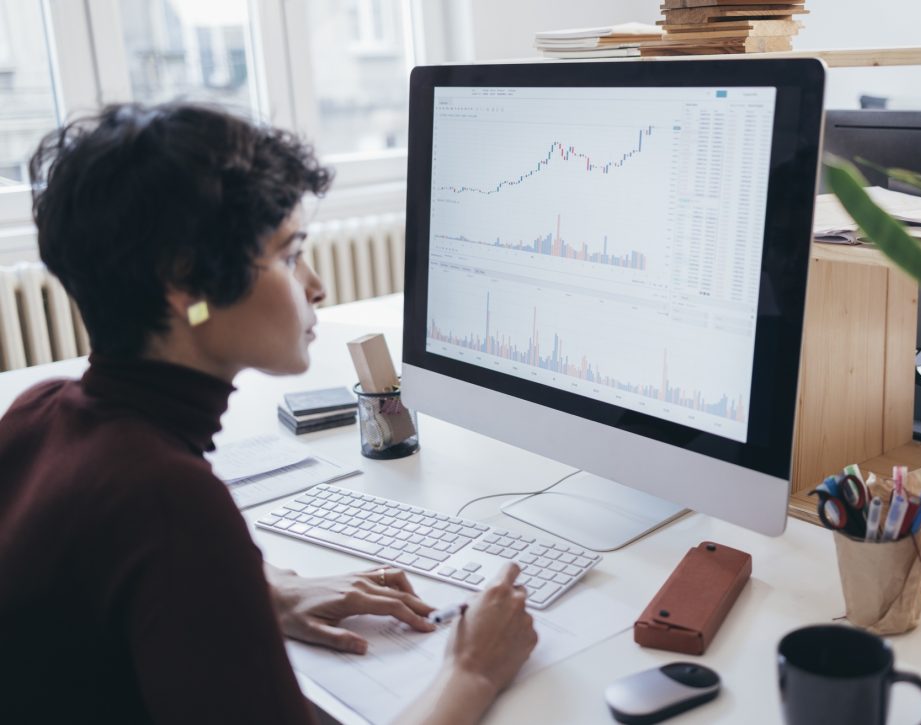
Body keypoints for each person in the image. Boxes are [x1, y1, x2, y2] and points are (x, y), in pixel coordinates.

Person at [0, 103, 537, 724]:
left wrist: (265, 588)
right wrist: (470, 671)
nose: (316, 287)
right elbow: (163, 539)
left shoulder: (36, 414)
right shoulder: (170, 503)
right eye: (288, 255)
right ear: (188, 286)